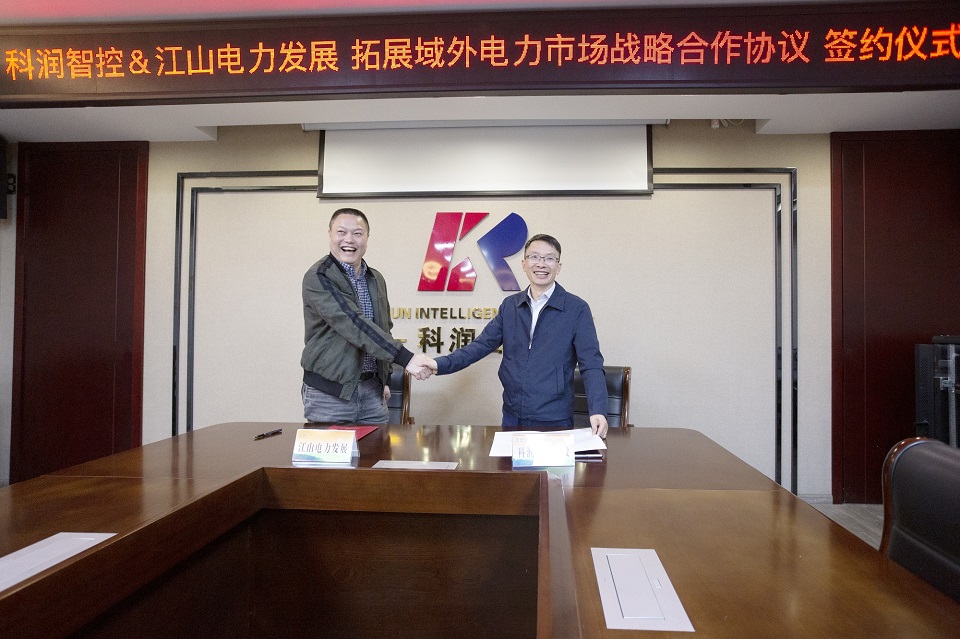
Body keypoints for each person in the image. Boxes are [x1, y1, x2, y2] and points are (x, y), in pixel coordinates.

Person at [425, 234, 609, 437]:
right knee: (510, 459)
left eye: (549, 258)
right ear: (524, 264)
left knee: (552, 461)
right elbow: (480, 346)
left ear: (558, 266)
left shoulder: (576, 309)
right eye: (534, 257)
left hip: (554, 418)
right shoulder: (510, 306)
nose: (541, 264)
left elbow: (591, 364)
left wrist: (598, 409)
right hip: (512, 414)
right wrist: (439, 364)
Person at [301, 207, 432, 424]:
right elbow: (352, 323)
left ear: (367, 238)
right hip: (330, 395)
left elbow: (383, 328)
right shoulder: (319, 276)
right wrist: (405, 358)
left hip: (373, 393)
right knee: (333, 449)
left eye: (357, 233)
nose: (349, 239)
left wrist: (385, 379)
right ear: (330, 234)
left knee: (377, 447)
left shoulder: (375, 278)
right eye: (341, 232)